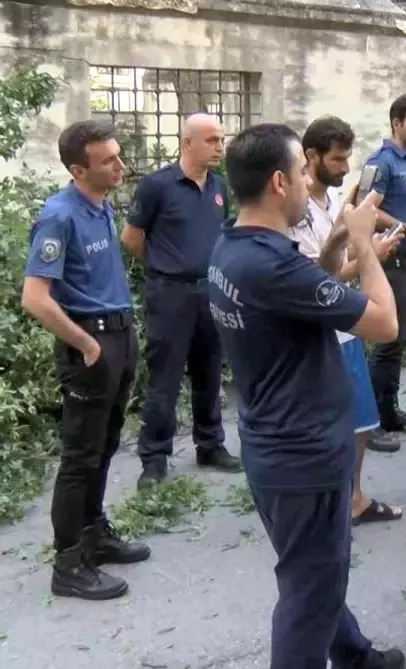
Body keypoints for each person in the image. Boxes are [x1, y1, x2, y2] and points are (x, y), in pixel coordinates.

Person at [208, 123, 406, 669]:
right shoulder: (271, 264)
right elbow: (385, 323)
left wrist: (340, 238)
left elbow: (310, 289)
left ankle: (354, 657)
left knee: (313, 572)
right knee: (309, 592)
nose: (306, 181)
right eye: (300, 172)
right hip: (305, 455)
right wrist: (366, 247)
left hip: (273, 443)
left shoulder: (235, 246)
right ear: (278, 181)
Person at [21, 120, 150, 601]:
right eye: (109, 160)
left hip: (119, 337)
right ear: (79, 169)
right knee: (80, 456)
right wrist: (88, 344)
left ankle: (94, 533)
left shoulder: (99, 207)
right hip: (90, 346)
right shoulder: (59, 215)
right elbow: (35, 298)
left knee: (106, 443)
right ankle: (69, 562)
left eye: (119, 155)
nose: (121, 165)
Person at [287, 116, 405, 526]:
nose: (343, 168)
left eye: (347, 159)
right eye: (337, 160)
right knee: (333, 424)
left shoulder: (333, 201)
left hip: (344, 325)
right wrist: (362, 256)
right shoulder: (296, 209)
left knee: (360, 422)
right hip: (322, 330)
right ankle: (329, 504)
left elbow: (339, 264)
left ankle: (352, 498)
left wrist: (370, 248)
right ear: (311, 156)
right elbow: (315, 281)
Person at [121, 112, 243, 488]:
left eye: (221, 140)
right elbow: (131, 237)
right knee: (166, 378)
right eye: (211, 140)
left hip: (210, 290)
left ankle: (210, 445)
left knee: (209, 372)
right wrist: (162, 268)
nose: (219, 147)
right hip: (170, 293)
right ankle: (154, 458)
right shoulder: (158, 185)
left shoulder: (219, 186)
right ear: (187, 142)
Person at [361, 93, 406, 453]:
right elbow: (364, 207)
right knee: (386, 342)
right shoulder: (381, 162)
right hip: (386, 262)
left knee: (399, 340)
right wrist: (403, 226)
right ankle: (369, 422)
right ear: (396, 124)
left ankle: (389, 411)